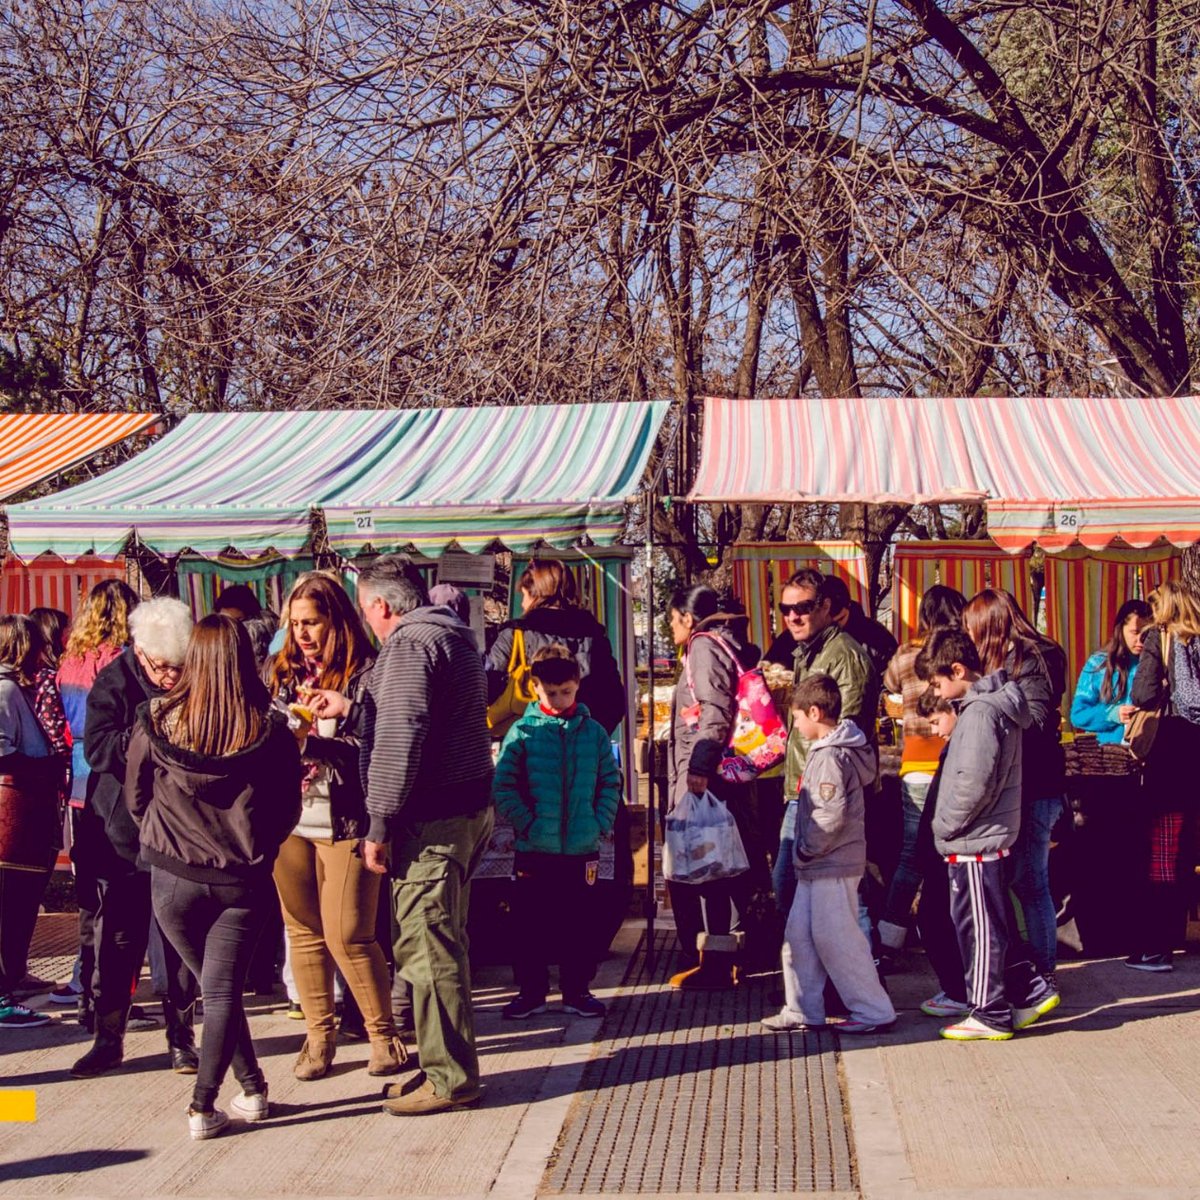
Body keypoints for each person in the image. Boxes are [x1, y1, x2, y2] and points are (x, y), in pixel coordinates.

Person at [125, 615, 301, 1139]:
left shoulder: (156, 721)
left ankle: (252, 1088)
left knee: (215, 988)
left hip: (172, 877)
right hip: (240, 878)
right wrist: (258, 844)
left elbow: (135, 794)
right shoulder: (269, 731)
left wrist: (162, 835)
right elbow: (286, 808)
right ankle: (203, 1105)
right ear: (245, 660)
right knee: (222, 993)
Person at [334, 554, 494, 1116]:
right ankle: (440, 1066)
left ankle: (450, 1079)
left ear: (380, 604)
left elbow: (403, 734)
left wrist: (378, 820)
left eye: (362, 608)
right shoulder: (453, 636)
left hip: (434, 821)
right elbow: (425, 717)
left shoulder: (408, 643)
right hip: (464, 811)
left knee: (429, 950)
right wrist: (357, 708)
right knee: (440, 944)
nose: (364, 620)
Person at [268, 573, 405, 1081]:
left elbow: (378, 750)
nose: (302, 634)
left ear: (336, 620)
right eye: (295, 623)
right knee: (302, 932)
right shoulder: (281, 672)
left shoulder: (366, 672)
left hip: (346, 817)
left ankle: (383, 1037)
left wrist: (316, 742)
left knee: (349, 933)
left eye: (312, 622)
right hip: (291, 818)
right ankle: (318, 1038)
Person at [70, 598, 200, 1079]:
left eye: (177, 667)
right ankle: (109, 1039)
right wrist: (149, 728)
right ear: (141, 652)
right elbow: (98, 748)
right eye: (163, 667)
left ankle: (181, 1037)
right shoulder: (114, 681)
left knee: (177, 938)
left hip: (177, 833)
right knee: (118, 938)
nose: (171, 676)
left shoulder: (192, 674)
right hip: (121, 833)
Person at [915, 628, 1059, 1041]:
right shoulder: (992, 707)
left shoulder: (979, 713)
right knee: (992, 925)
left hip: (974, 839)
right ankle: (1028, 990)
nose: (938, 692)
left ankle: (990, 1011)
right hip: (983, 836)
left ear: (958, 669)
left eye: (940, 682)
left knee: (979, 929)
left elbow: (972, 782)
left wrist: (944, 826)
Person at [760, 674, 896, 1035]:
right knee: (800, 935)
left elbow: (829, 814)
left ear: (815, 713)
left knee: (837, 938)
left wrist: (806, 849)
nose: (797, 726)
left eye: (798, 719)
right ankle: (803, 1008)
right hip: (821, 864)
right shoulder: (834, 752)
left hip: (829, 863)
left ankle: (872, 1008)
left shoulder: (830, 757)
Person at [493, 644, 621, 1019]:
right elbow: (505, 785)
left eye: (566, 691)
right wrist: (527, 822)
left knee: (579, 924)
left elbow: (609, 782)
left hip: (582, 848)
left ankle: (576, 990)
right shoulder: (522, 732)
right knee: (530, 923)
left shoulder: (593, 733)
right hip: (535, 848)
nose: (560, 699)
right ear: (535, 688)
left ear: (577, 687)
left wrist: (599, 821)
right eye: (551, 692)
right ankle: (531, 991)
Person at [962, 589, 1067, 989]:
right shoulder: (1021, 659)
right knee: (1019, 880)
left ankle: (1043, 973)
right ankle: (1032, 967)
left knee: (1030, 881)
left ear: (990, 625)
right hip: (1022, 785)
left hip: (1035, 786)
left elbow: (1036, 718)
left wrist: (989, 705)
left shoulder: (1031, 660)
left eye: (973, 627)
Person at [52, 580, 140, 1020]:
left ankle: (86, 987)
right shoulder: (126, 664)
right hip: (118, 784)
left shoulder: (69, 662)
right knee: (124, 895)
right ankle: (112, 992)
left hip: (77, 784)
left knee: (90, 897)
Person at [665, 585, 761, 988]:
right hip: (718, 774)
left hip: (705, 776)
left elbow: (716, 710)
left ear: (688, 619)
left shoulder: (704, 647)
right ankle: (730, 956)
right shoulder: (723, 644)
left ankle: (717, 962)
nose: (671, 628)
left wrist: (699, 767)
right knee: (723, 867)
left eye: (672, 619)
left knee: (709, 871)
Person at [776, 570, 877, 916]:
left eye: (802, 607)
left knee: (838, 885)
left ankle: (863, 958)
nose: (793, 616)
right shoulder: (807, 652)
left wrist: (823, 785)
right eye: (785, 609)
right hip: (803, 786)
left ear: (825, 607)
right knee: (814, 887)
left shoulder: (843, 656)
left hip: (823, 787)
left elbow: (845, 732)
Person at [876, 586, 967, 954]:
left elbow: (888, 686)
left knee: (912, 856)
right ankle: (950, 934)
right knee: (955, 853)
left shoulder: (907, 653)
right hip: (956, 759)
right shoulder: (961, 654)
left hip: (915, 760)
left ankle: (889, 938)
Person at [1126, 580, 1200, 971]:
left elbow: (1142, 693)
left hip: (1173, 754)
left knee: (1163, 855)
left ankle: (1157, 947)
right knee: (1191, 852)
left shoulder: (1161, 637)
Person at [486, 558, 626, 735]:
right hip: (581, 746)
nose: (522, 603)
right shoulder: (594, 636)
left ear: (536, 594)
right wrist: (590, 738)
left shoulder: (515, 634)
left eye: (524, 595)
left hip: (527, 742)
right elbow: (614, 700)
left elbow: (486, 686)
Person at [0, 616, 60, 1029]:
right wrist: (46, 765)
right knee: (9, 905)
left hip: (25, 812)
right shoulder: (4, 689)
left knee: (20, 906)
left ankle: (13, 978)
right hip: (12, 813)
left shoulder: (16, 689)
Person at [911, 688, 968, 1020]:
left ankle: (959, 991)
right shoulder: (956, 745)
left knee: (937, 920)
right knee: (937, 919)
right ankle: (957, 989)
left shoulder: (961, 745)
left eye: (936, 721)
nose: (935, 730)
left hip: (946, 846)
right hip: (941, 843)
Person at [1070, 600, 1153, 741]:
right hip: (1108, 755)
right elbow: (1078, 715)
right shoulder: (1098, 663)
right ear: (1120, 629)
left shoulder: (1155, 664)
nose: (1140, 640)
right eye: (1135, 632)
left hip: (1147, 753)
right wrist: (1112, 715)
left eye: (1146, 633)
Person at [822, 576, 898, 683]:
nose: (834, 628)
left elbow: (892, 679)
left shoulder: (876, 635)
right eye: (828, 624)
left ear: (849, 606)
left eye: (840, 620)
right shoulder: (807, 635)